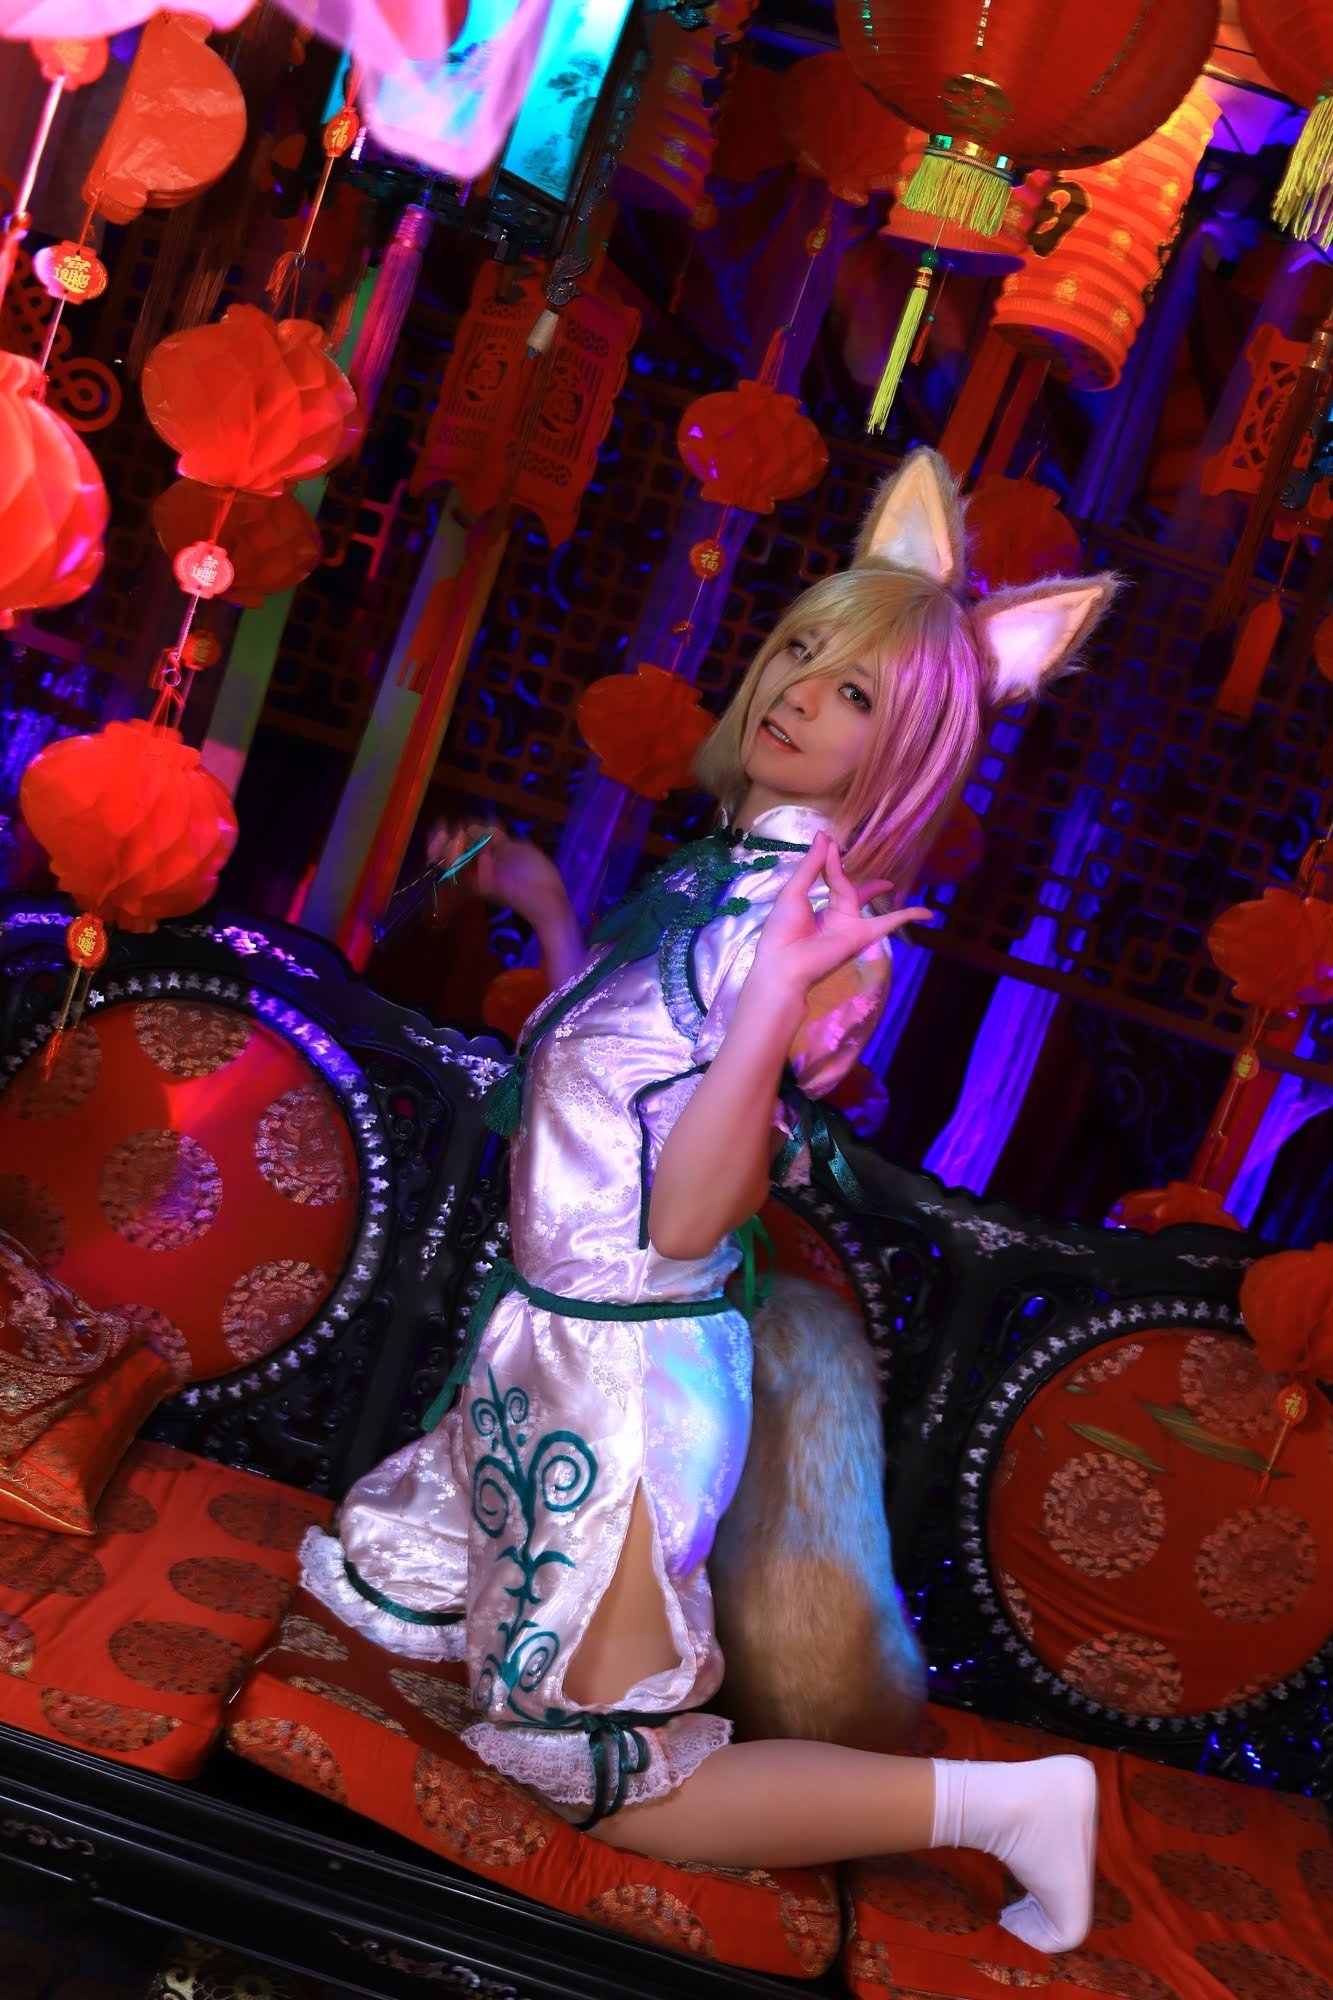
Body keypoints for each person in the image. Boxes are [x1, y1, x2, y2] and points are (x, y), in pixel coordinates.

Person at [301, 450, 1117, 1952]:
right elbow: (609, 1099)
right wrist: (551, 908)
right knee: (442, 1654)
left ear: (909, 751)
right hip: (545, 1357)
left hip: (625, 1389)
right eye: (802, 648)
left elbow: (685, 1221)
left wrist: (782, 1005)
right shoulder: (721, 881)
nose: (799, 690)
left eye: (856, 691)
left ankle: (1012, 1809)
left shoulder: (811, 933)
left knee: (604, 1783)